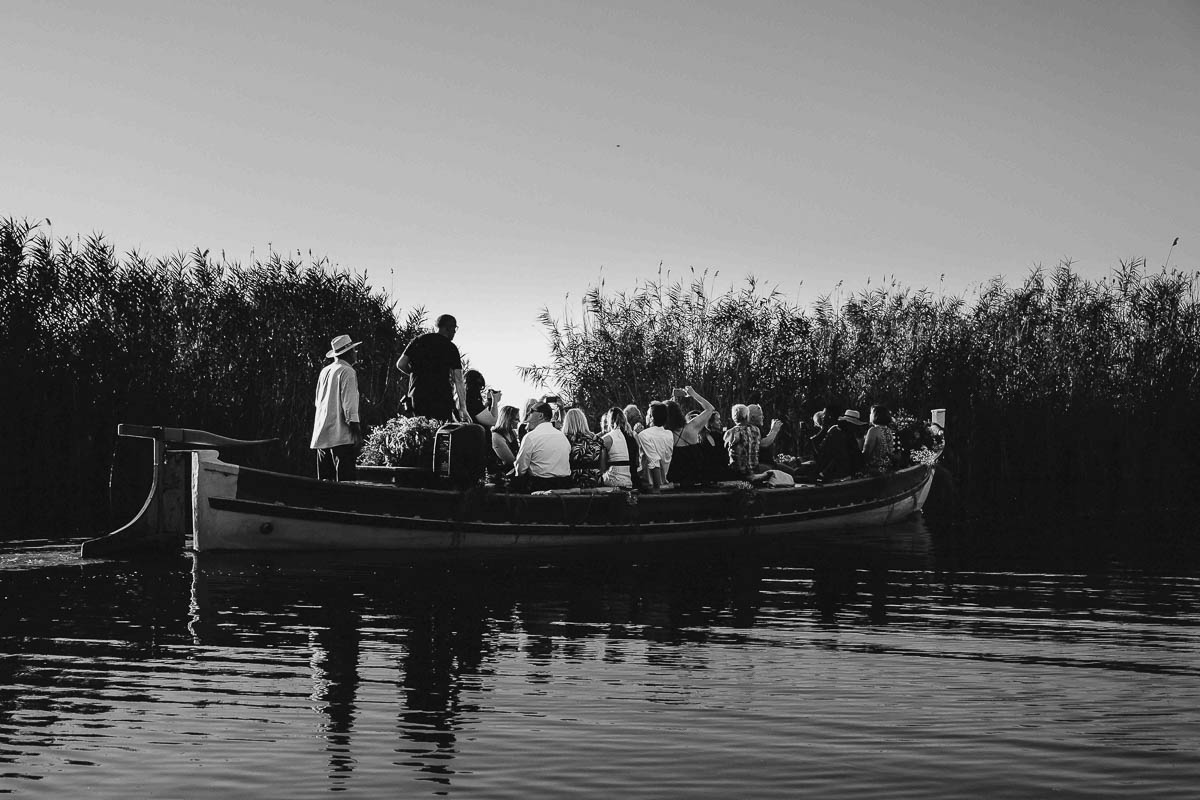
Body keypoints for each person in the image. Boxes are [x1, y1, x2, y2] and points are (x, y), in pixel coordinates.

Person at [395, 314, 468, 422]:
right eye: (454, 328)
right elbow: (459, 379)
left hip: (417, 396)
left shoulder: (418, 340)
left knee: (420, 431)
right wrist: (463, 407)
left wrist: (414, 374)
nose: (454, 332)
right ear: (448, 328)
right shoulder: (450, 347)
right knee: (441, 432)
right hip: (441, 397)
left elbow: (400, 364)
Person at [310, 334, 362, 482]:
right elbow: (350, 408)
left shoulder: (325, 371)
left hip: (322, 435)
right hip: (341, 437)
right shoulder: (348, 372)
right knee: (346, 485)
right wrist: (357, 435)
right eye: (354, 350)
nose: (355, 353)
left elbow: (317, 402)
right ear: (348, 353)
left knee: (325, 486)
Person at [509, 401, 572, 491]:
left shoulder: (531, 437)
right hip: (564, 486)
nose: (528, 413)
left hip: (539, 487)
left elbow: (520, 470)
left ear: (540, 416)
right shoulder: (563, 437)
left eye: (531, 411)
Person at [667, 385, 717, 486]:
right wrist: (694, 394)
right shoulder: (692, 427)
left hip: (678, 478)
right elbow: (710, 409)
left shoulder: (666, 434)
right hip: (697, 475)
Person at [724, 403, 771, 482]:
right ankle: (754, 476)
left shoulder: (731, 432)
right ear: (747, 416)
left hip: (738, 471)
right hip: (754, 468)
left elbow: (725, 447)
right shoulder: (756, 430)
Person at [637, 401, 676, 492]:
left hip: (650, 485)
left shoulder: (644, 435)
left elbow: (654, 462)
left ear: (651, 418)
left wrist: (656, 489)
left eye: (647, 414)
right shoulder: (669, 434)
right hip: (665, 483)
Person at [562, 408, 604, 488]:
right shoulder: (596, 439)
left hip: (573, 479)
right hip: (595, 479)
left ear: (567, 423)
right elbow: (602, 462)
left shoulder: (565, 439)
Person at [599, 407, 638, 488]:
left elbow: (602, 467)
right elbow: (637, 462)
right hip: (633, 479)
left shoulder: (607, 438)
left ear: (610, 421)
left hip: (615, 480)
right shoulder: (633, 436)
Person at [862, 404, 900, 475]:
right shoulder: (889, 431)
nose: (870, 415)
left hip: (875, 470)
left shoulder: (873, 430)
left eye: (871, 413)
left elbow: (866, 453)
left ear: (875, 415)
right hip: (887, 468)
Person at [489, 405, 521, 484]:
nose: (519, 421)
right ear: (508, 419)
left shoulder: (512, 433)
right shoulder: (496, 436)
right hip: (501, 476)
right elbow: (510, 460)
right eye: (516, 419)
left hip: (513, 472)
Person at [748, 403, 786, 471]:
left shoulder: (757, 428)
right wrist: (774, 430)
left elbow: (764, 439)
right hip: (763, 465)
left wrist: (772, 430)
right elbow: (763, 444)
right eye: (760, 415)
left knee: (793, 471)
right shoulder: (751, 429)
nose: (763, 417)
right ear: (753, 417)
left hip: (770, 464)